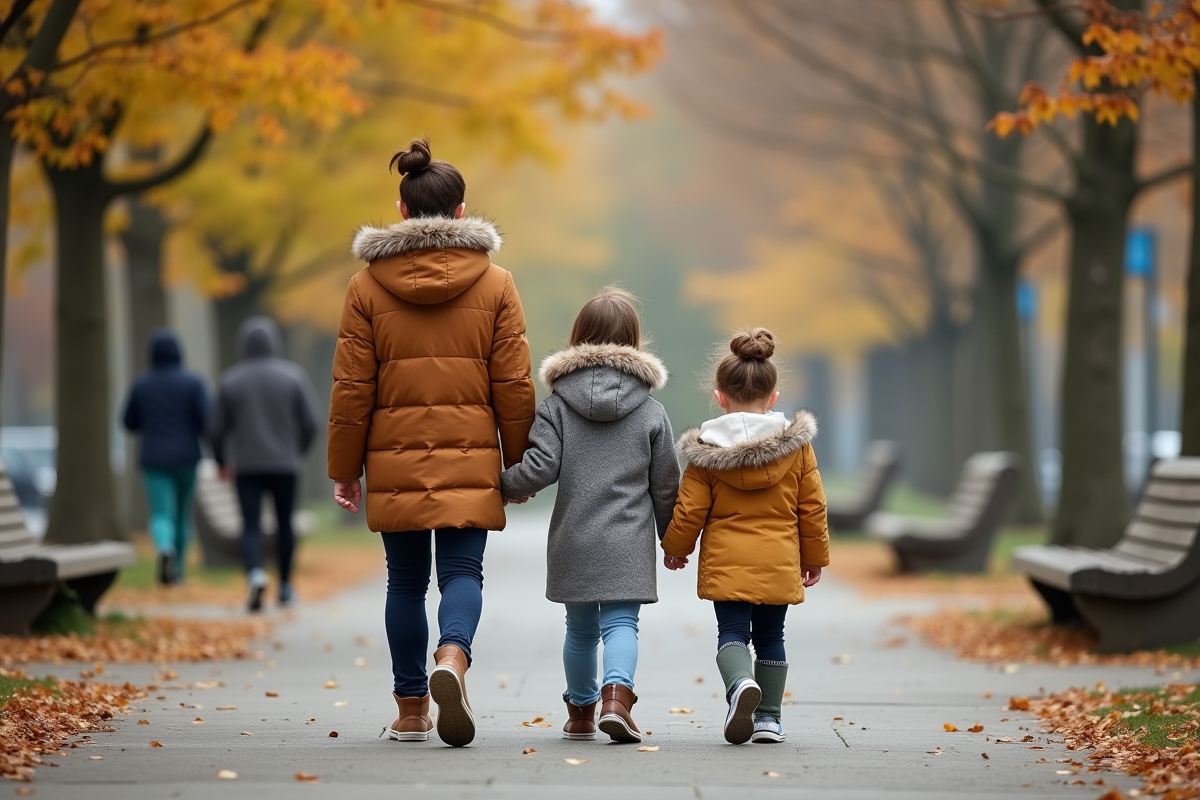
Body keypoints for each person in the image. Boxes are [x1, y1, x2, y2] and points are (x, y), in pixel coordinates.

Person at [328, 136, 536, 748]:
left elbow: (351, 388)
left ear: (400, 211)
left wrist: (345, 468)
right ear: (462, 212)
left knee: (404, 583)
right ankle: (453, 655)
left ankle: (413, 708)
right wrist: (519, 463)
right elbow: (514, 384)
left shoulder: (365, 289)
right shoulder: (497, 284)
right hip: (471, 454)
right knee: (463, 571)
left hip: (393, 459)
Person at [499, 288, 680, 744]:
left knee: (579, 628)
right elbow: (665, 485)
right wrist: (673, 539)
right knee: (621, 623)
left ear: (578, 339)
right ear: (634, 342)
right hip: (628, 540)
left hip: (574, 537)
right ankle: (616, 699)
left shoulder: (558, 405)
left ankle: (580, 713)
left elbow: (540, 468)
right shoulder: (652, 411)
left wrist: (502, 487)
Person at [661, 327, 829, 745]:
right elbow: (812, 505)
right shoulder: (797, 448)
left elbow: (690, 509)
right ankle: (769, 719)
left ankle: (739, 685)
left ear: (720, 396)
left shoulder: (706, 452)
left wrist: (675, 548)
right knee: (773, 636)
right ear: (773, 397)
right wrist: (814, 558)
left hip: (727, 563)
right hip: (777, 560)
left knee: (732, 634)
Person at [209, 315, 320, 613]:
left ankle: (256, 574)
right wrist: (299, 452)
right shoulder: (293, 376)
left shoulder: (230, 380)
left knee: (250, 525)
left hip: (247, 465)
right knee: (285, 524)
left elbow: (216, 429)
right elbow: (312, 422)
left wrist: (221, 461)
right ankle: (285, 586)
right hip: (285, 464)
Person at [122, 328, 209, 585]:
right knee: (182, 514)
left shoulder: (141, 384)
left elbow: (128, 422)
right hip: (186, 457)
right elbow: (206, 420)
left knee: (161, 512)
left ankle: (163, 547)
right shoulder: (193, 383)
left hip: (154, 459)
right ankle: (177, 570)